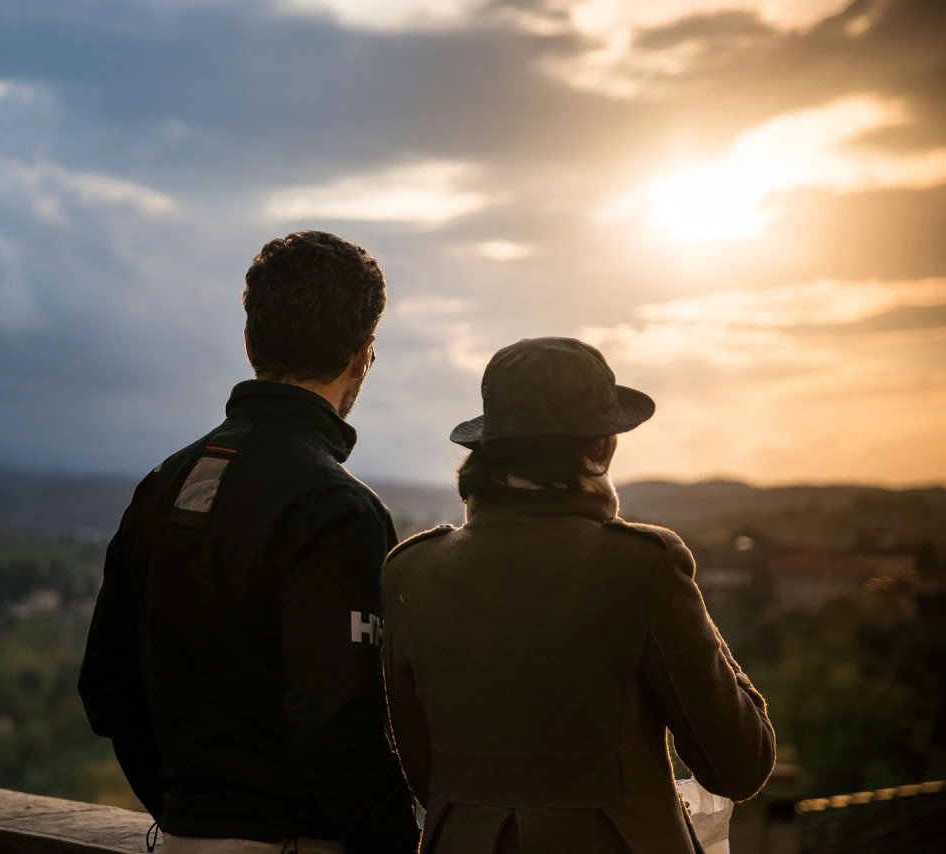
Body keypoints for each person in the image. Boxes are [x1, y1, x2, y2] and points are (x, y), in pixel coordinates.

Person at [79, 231, 420, 854]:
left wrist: (194, 814)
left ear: (249, 343)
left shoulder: (163, 483)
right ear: (363, 355)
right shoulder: (338, 511)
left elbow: (105, 688)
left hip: (179, 838)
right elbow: (341, 724)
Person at [382, 337, 776, 854]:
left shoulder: (411, 570)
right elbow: (740, 764)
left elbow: (423, 772)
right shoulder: (642, 564)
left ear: (488, 449)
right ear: (601, 447)